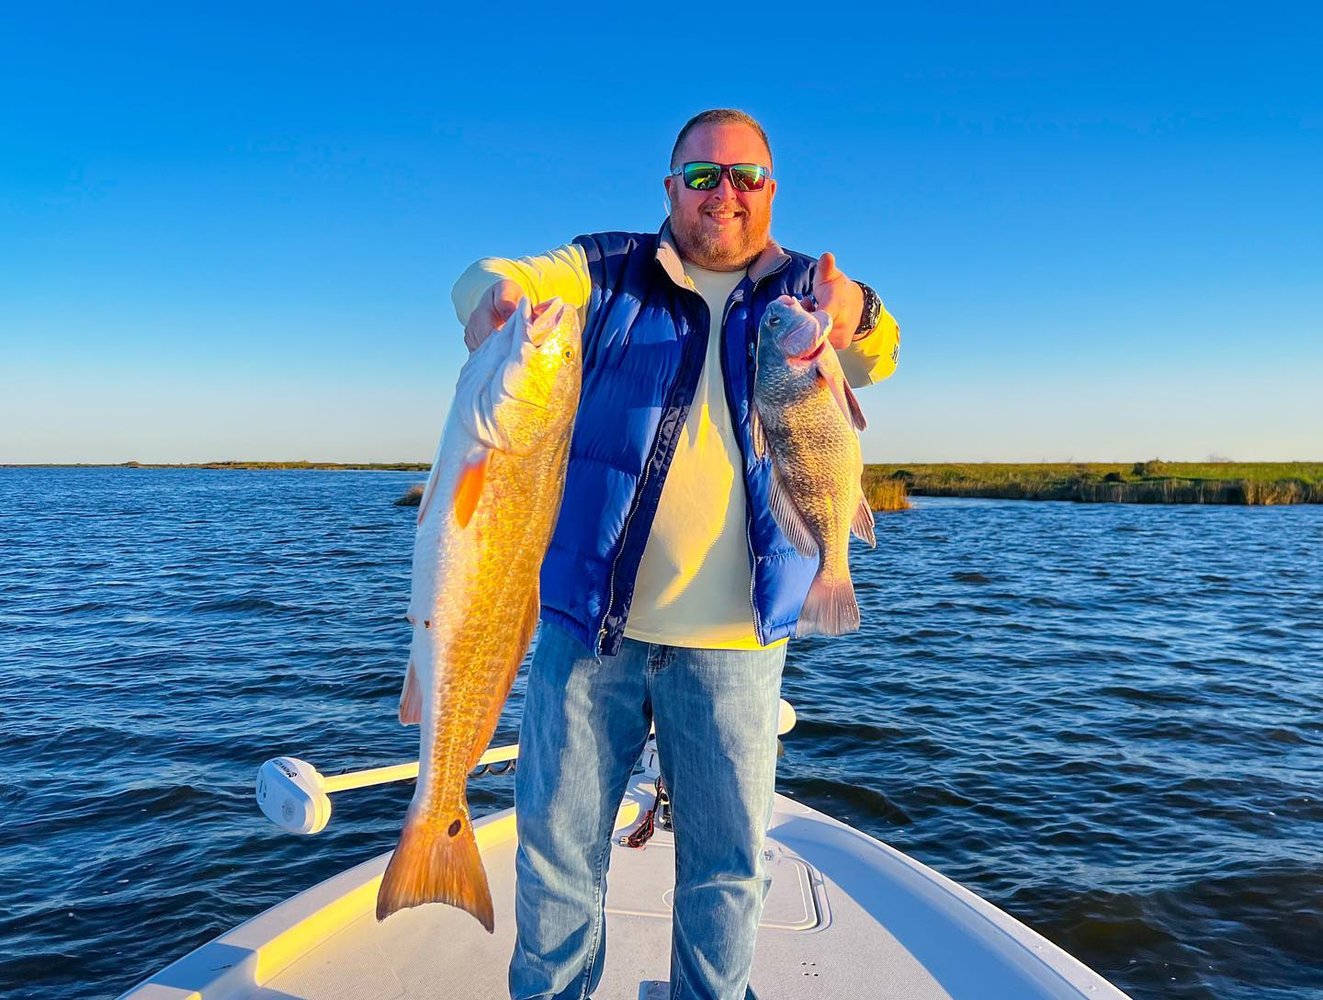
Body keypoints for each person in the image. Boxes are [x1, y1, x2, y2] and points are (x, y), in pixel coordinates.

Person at [452, 108, 900, 1000]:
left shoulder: (806, 294)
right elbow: (492, 276)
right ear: (670, 188)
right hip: (588, 629)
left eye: (743, 177)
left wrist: (853, 315)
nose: (722, 194)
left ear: (770, 190)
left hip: (737, 640)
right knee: (555, 856)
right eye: (701, 176)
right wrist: (491, 300)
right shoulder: (606, 270)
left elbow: (881, 353)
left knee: (727, 871)